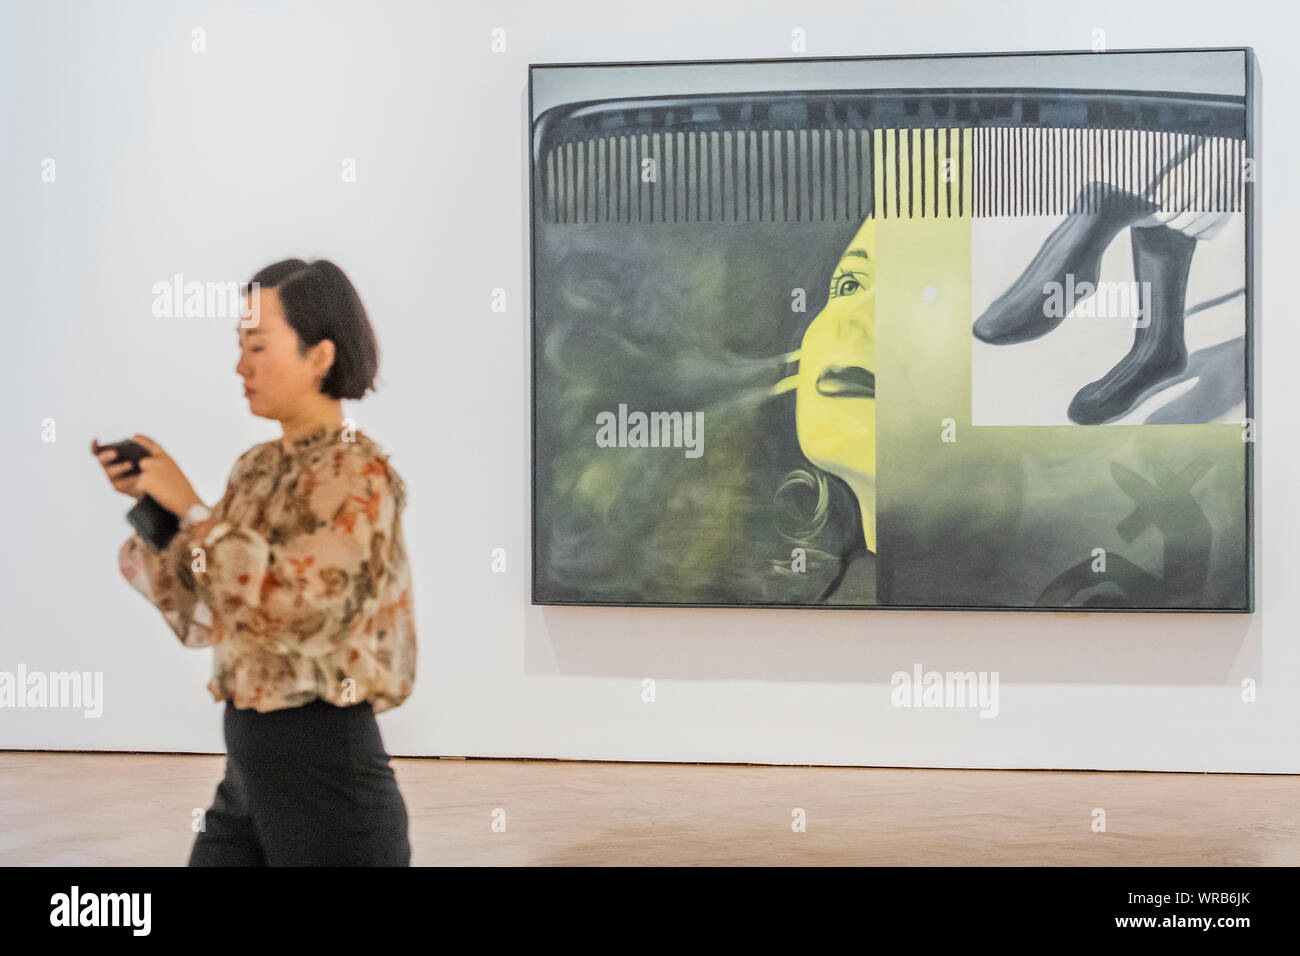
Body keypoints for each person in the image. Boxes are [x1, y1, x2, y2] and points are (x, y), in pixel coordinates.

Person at [95, 258, 416, 866]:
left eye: (259, 346)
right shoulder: (256, 469)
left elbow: (299, 609)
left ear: (320, 356)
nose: (241, 366)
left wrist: (192, 509)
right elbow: (205, 607)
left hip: (330, 785)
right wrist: (157, 512)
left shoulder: (358, 474)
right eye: (240, 346)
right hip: (250, 774)